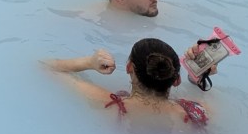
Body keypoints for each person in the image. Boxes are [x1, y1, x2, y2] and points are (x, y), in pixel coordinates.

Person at [43, 38, 208, 126]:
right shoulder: (195, 113)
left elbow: (46, 67)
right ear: (177, 80)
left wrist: (89, 62)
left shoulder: (109, 104)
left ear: (129, 67)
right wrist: (197, 78)